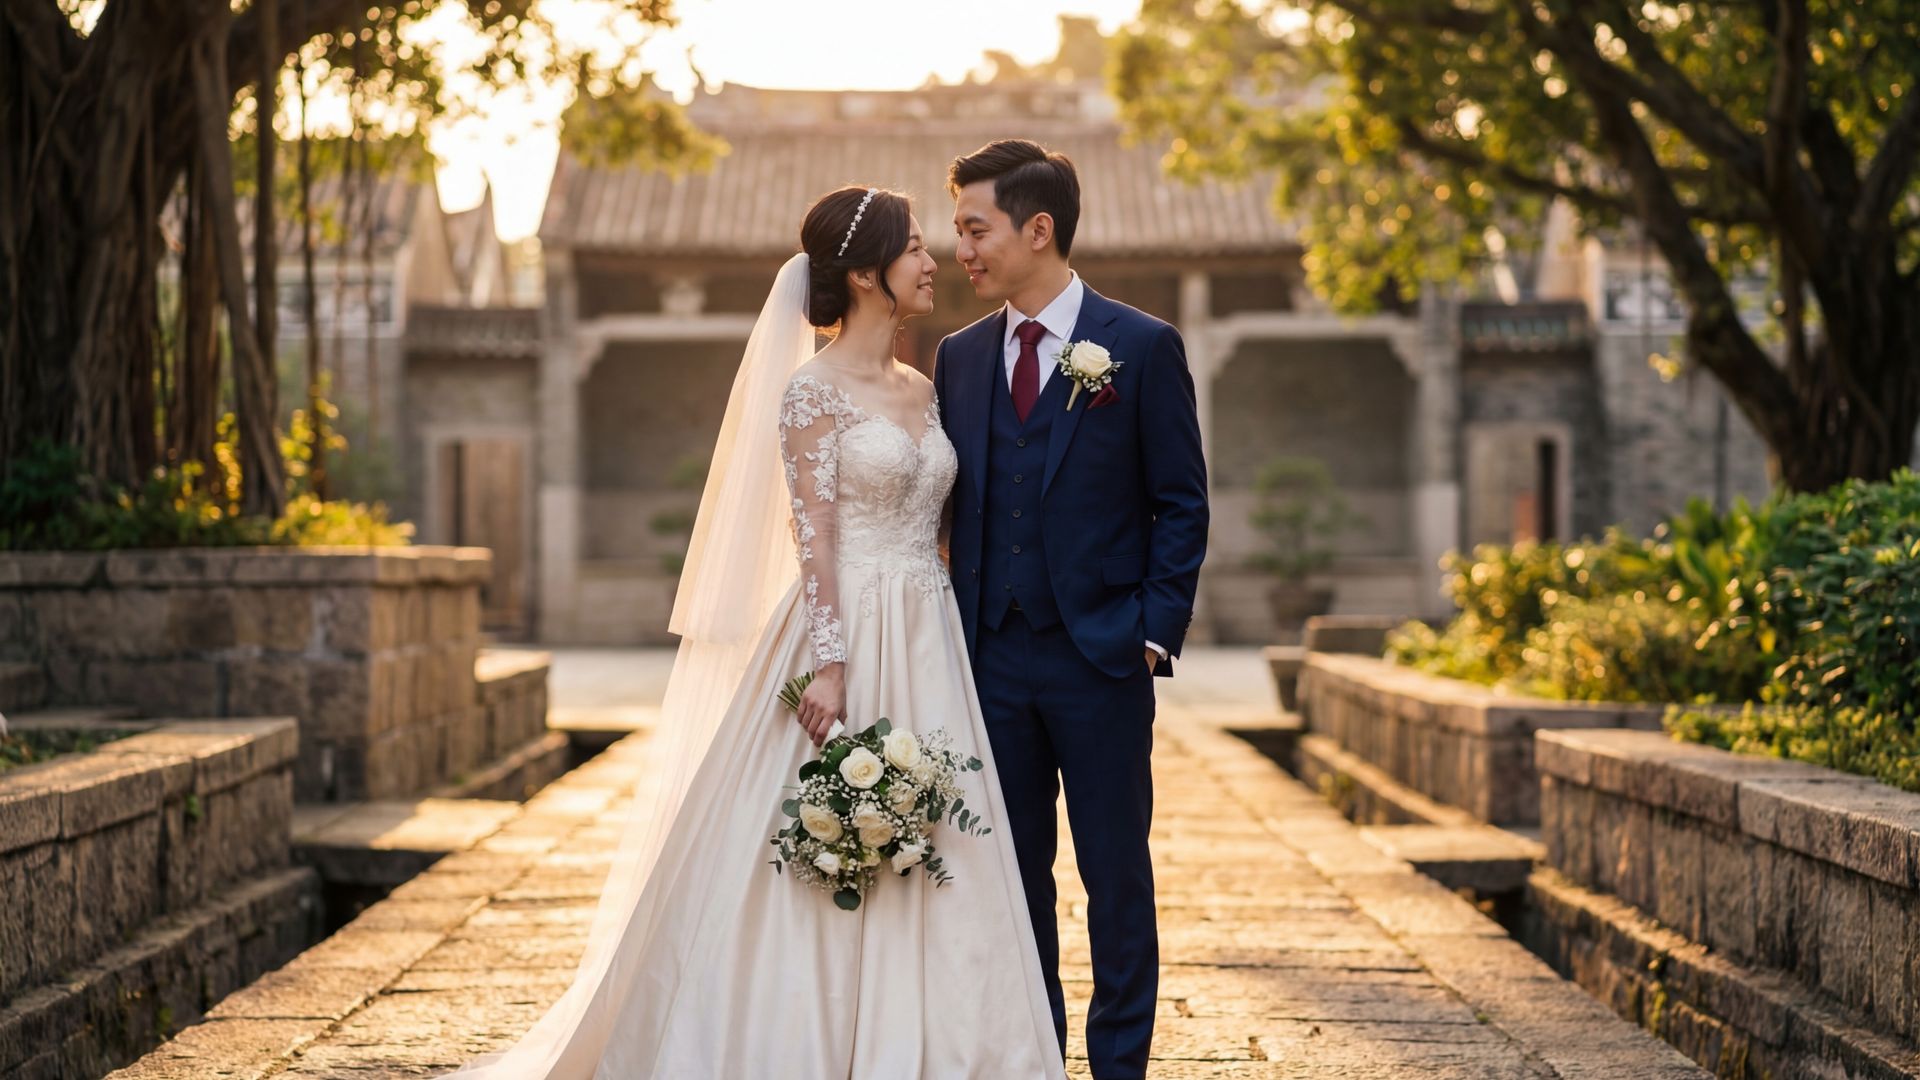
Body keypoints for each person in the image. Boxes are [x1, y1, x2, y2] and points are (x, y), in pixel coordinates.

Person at [442, 185, 1065, 1078]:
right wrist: (831, 662)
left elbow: (942, 528)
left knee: (944, 838)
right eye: (918, 248)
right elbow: (811, 537)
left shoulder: (928, 392)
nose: (936, 263)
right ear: (863, 273)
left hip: (930, 637)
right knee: (820, 838)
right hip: (843, 628)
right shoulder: (808, 393)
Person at [934, 139, 1210, 1080]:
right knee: (1013, 885)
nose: (958, 249)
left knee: (1115, 878)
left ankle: (1120, 1067)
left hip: (1102, 661)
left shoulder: (1140, 346)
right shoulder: (960, 358)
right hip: (992, 662)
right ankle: (1034, 1060)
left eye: (975, 228)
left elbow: (1183, 502)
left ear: (1037, 229)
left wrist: (1151, 634)